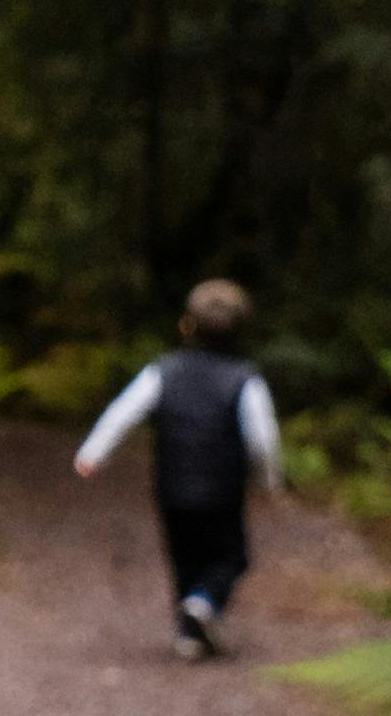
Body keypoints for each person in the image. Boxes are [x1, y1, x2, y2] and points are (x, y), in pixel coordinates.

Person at [74, 279, 283, 660]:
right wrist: (270, 481)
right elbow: (262, 438)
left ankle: (190, 632)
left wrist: (93, 453)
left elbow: (124, 412)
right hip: (223, 490)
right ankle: (204, 604)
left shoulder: (163, 371)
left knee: (183, 556)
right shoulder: (245, 379)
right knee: (231, 556)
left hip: (171, 485)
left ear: (187, 324)